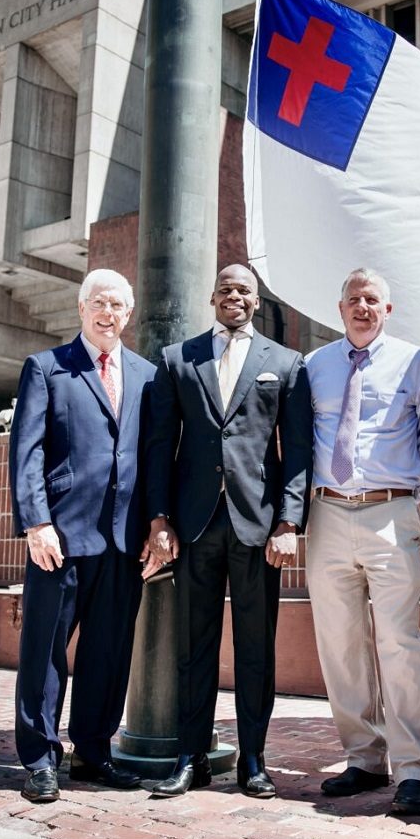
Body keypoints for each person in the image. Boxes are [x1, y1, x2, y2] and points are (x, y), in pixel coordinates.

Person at [144, 264, 313, 800]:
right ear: (211, 297)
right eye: (225, 289)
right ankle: (190, 757)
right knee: (193, 647)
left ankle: (254, 760)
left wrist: (288, 521)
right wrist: (159, 518)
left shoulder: (285, 364)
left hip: (257, 526)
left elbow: (299, 452)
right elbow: (159, 446)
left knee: (256, 648)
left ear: (256, 302)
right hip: (193, 525)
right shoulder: (177, 359)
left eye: (243, 290)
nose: (233, 296)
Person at [9, 268, 155, 803]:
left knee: (108, 652)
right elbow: (25, 453)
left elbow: (152, 456)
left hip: (123, 541)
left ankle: (93, 753)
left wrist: (155, 527)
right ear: (81, 308)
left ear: (128, 314)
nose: (108, 313)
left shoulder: (146, 375)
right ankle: (41, 759)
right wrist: (35, 522)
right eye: (98, 302)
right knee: (45, 651)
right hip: (60, 537)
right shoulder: (47, 368)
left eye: (117, 305)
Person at [305, 269, 420, 816]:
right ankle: (363, 758)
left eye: (373, 300)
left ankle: (414, 769)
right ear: (340, 309)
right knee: (339, 643)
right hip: (328, 514)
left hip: (390, 512)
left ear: (389, 309)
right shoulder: (315, 366)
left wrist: (404, 486)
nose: (363, 307)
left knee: (399, 643)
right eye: (354, 300)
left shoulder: (415, 362)